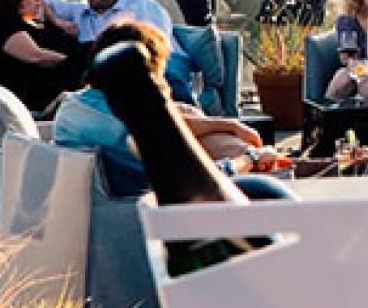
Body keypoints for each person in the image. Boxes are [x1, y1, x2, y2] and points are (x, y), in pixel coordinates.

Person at [54, 20, 271, 198]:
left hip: (98, 209)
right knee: (265, 189)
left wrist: (227, 125)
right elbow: (202, 184)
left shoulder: (73, 106)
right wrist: (251, 158)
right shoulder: (134, 132)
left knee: (187, 112)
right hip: (151, 213)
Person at [41, 0, 198, 103]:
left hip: (162, 64)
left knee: (161, 85)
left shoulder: (141, 6)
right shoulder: (80, 12)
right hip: (114, 77)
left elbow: (155, 47)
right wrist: (57, 21)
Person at [0, 0, 89, 113]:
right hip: (32, 93)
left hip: (58, 80)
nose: (39, 1)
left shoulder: (31, 23)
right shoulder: (2, 25)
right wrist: (79, 64)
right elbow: (37, 56)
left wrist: (56, 22)